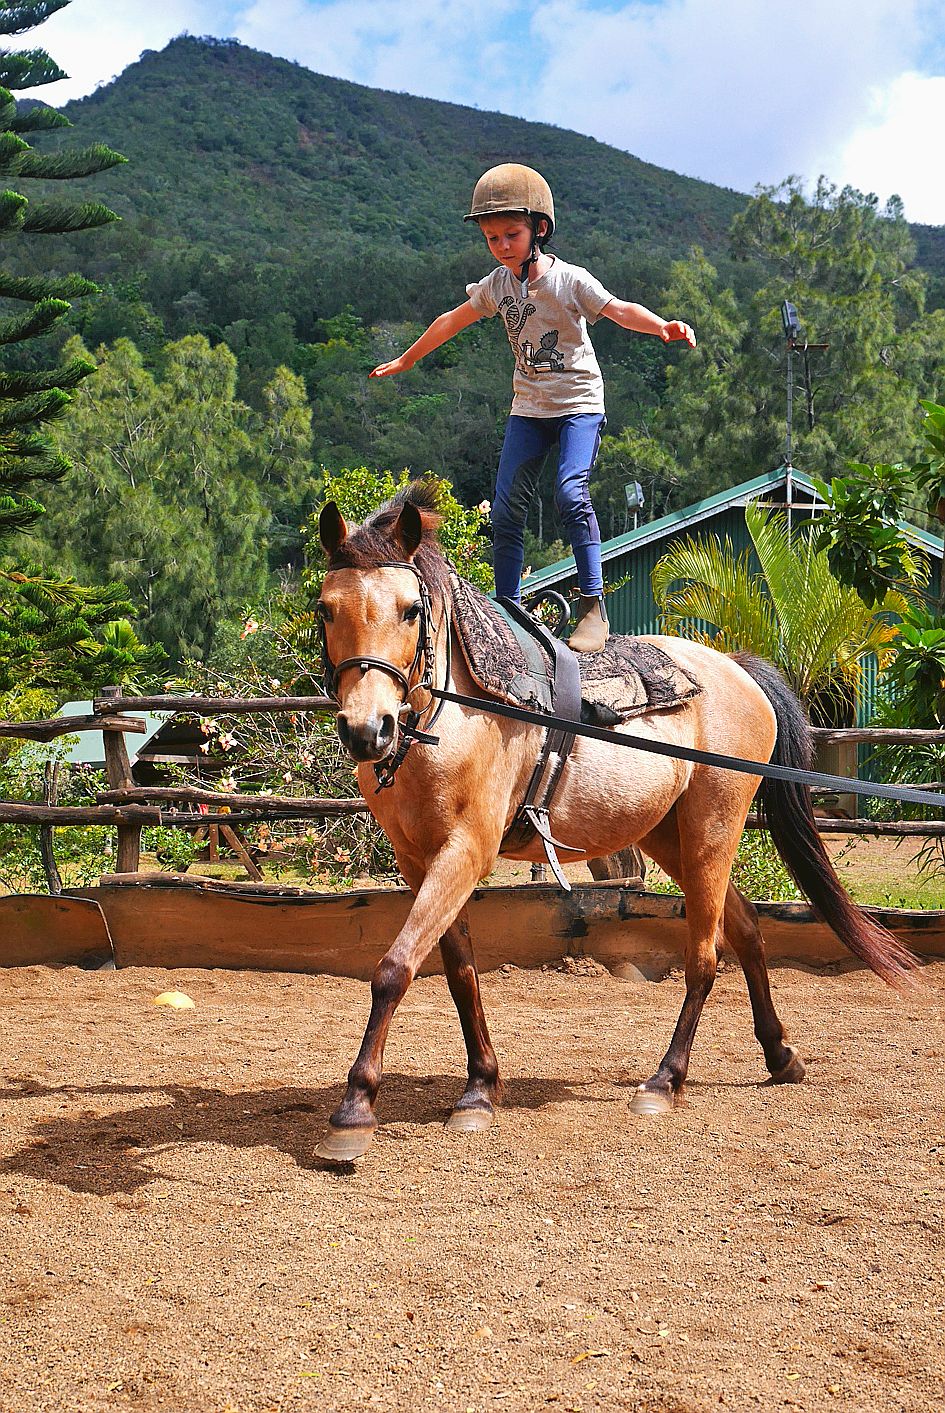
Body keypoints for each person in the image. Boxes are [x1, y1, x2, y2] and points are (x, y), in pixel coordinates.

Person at [370, 163, 696, 652]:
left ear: (538, 230)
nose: (501, 246)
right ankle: (508, 608)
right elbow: (450, 320)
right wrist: (406, 359)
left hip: (578, 404)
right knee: (505, 510)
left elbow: (620, 310)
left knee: (570, 492)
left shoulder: (570, 281)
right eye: (491, 237)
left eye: (511, 235)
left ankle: (591, 604)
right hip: (529, 408)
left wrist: (662, 326)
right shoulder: (497, 286)